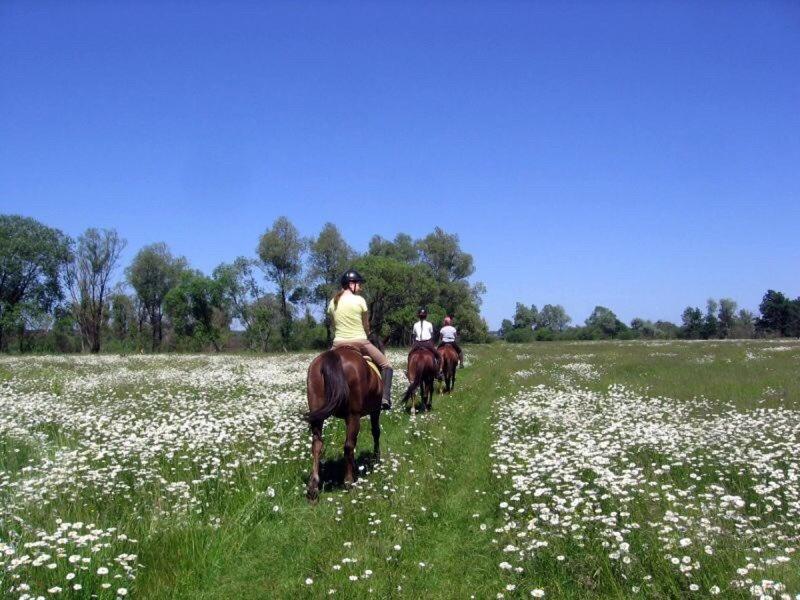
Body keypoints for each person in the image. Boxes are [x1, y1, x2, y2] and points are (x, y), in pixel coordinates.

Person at [328, 269, 393, 410]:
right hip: (360, 342)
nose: (360, 287)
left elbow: (333, 324)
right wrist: (367, 332)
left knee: (325, 366)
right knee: (386, 365)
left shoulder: (332, 302)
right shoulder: (360, 300)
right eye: (359, 284)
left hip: (338, 343)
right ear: (351, 284)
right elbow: (365, 324)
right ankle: (385, 398)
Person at [411, 308, 443, 379]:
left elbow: (413, 336)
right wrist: (432, 343)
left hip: (417, 343)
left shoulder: (415, 324)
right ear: (426, 316)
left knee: (410, 355)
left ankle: (409, 372)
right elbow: (431, 336)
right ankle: (438, 373)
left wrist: (413, 345)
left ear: (419, 316)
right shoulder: (429, 324)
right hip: (427, 343)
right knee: (439, 357)